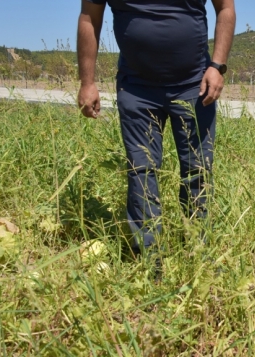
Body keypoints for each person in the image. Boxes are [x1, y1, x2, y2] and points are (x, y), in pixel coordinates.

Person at [76, 0, 236, 255]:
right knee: (141, 169)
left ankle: (198, 252)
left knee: (197, 167)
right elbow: (89, 17)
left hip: (194, 85)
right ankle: (150, 260)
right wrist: (87, 82)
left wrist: (217, 66)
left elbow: (226, 8)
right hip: (137, 89)